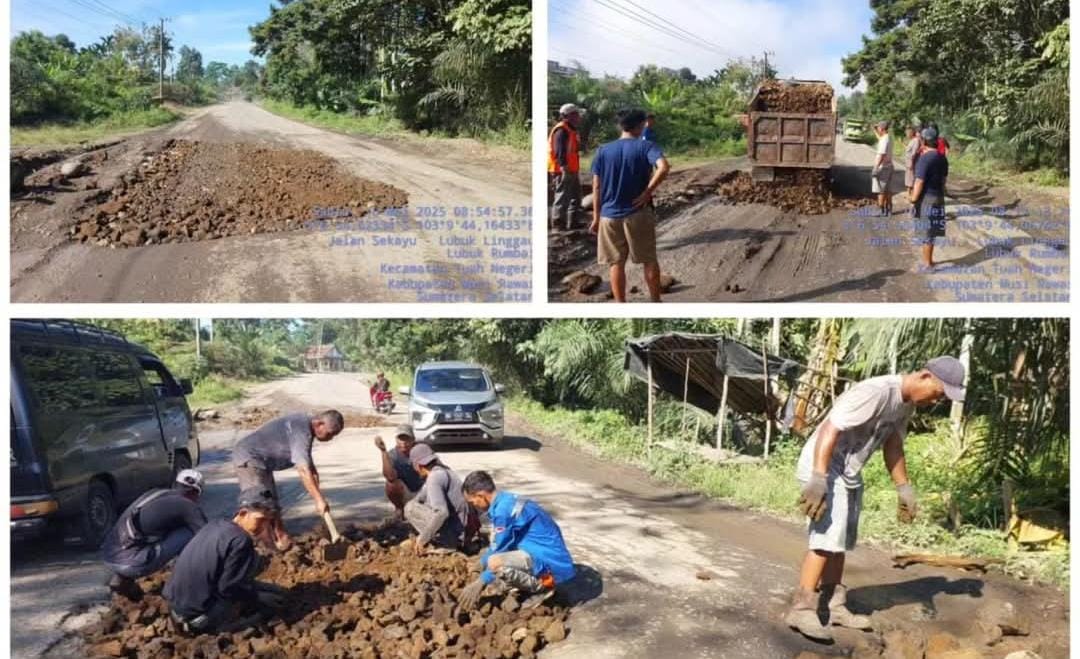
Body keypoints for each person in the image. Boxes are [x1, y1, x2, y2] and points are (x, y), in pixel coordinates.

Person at [785, 357, 966, 641]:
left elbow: (893, 445)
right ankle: (802, 608)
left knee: (841, 540)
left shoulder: (906, 404)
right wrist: (818, 479)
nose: (937, 400)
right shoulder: (877, 392)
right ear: (925, 376)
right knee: (825, 537)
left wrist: (904, 489)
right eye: (939, 392)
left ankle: (834, 603)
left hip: (847, 472)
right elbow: (829, 429)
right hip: (824, 467)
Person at [163, 487, 288, 635]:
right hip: (197, 619)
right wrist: (259, 597)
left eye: (268, 521)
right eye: (260, 520)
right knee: (272, 604)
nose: (264, 527)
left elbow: (228, 581)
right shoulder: (241, 541)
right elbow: (228, 589)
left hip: (175, 609)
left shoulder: (216, 525)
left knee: (276, 592)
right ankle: (231, 628)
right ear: (243, 513)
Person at [459, 471, 575, 610]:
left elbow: (500, 549)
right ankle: (531, 580)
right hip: (542, 551)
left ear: (481, 495)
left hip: (550, 561)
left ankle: (543, 586)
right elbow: (499, 544)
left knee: (495, 562)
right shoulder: (505, 500)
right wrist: (480, 563)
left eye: (473, 502)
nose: (474, 505)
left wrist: (481, 582)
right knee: (492, 552)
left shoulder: (503, 511)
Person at [589, 108, 670, 303]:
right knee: (649, 260)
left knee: (616, 263)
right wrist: (647, 193)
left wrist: (596, 218)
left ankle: (620, 304)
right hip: (638, 213)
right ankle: (655, 302)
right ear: (641, 125)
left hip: (609, 216)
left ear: (621, 126)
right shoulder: (647, 147)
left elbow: (597, 186)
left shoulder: (603, 150)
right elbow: (664, 167)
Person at [231, 410, 344, 550]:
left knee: (271, 504)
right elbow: (303, 470)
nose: (330, 438)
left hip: (262, 463)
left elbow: (310, 467)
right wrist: (318, 500)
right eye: (330, 433)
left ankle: (282, 540)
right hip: (249, 458)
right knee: (259, 509)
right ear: (319, 424)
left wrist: (319, 497)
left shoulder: (306, 426)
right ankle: (262, 549)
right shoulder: (301, 430)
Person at [102, 469, 208, 601]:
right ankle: (189, 581)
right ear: (196, 492)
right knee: (190, 533)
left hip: (110, 556)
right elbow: (208, 536)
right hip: (131, 564)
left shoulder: (157, 494)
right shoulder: (187, 506)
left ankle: (121, 579)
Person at [403, 444, 477, 553]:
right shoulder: (442, 472)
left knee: (409, 508)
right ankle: (444, 539)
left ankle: (444, 543)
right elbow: (419, 499)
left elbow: (442, 513)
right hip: (460, 529)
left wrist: (423, 538)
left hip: (454, 534)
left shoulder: (435, 477)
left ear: (417, 466)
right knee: (413, 504)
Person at [911, 126, 949, 270]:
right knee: (931, 231)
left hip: (927, 198)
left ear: (924, 141)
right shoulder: (942, 158)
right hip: (938, 196)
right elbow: (944, 180)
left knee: (927, 231)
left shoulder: (925, 159)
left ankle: (927, 264)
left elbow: (919, 181)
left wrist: (913, 199)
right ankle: (929, 261)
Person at [375, 425, 425, 519]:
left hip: (424, 490)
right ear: (396, 440)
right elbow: (389, 476)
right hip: (406, 493)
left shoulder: (422, 449)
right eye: (400, 439)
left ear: (413, 439)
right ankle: (400, 509)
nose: (403, 443)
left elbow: (437, 468)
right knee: (391, 484)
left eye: (407, 439)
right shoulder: (393, 455)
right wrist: (383, 451)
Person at [548, 103, 584, 231]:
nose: (579, 117)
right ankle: (558, 225)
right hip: (563, 170)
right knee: (562, 197)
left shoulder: (571, 130)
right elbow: (559, 151)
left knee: (575, 197)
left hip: (572, 169)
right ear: (568, 116)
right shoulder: (561, 130)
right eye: (576, 114)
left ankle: (573, 222)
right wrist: (564, 167)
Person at [871, 120, 893, 216]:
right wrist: (874, 130)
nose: (878, 129)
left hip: (883, 167)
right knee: (887, 189)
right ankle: (889, 208)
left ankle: (880, 210)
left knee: (880, 190)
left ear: (882, 128)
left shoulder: (884, 140)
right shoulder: (888, 137)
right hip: (889, 166)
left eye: (878, 127)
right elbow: (879, 138)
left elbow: (882, 154)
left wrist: (876, 167)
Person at [903, 125, 920, 199]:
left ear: (911, 133)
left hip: (911, 163)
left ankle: (911, 194)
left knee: (911, 179)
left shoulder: (916, 141)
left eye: (907, 133)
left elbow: (914, 153)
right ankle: (908, 193)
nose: (906, 134)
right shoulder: (912, 140)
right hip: (909, 163)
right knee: (908, 178)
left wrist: (912, 163)